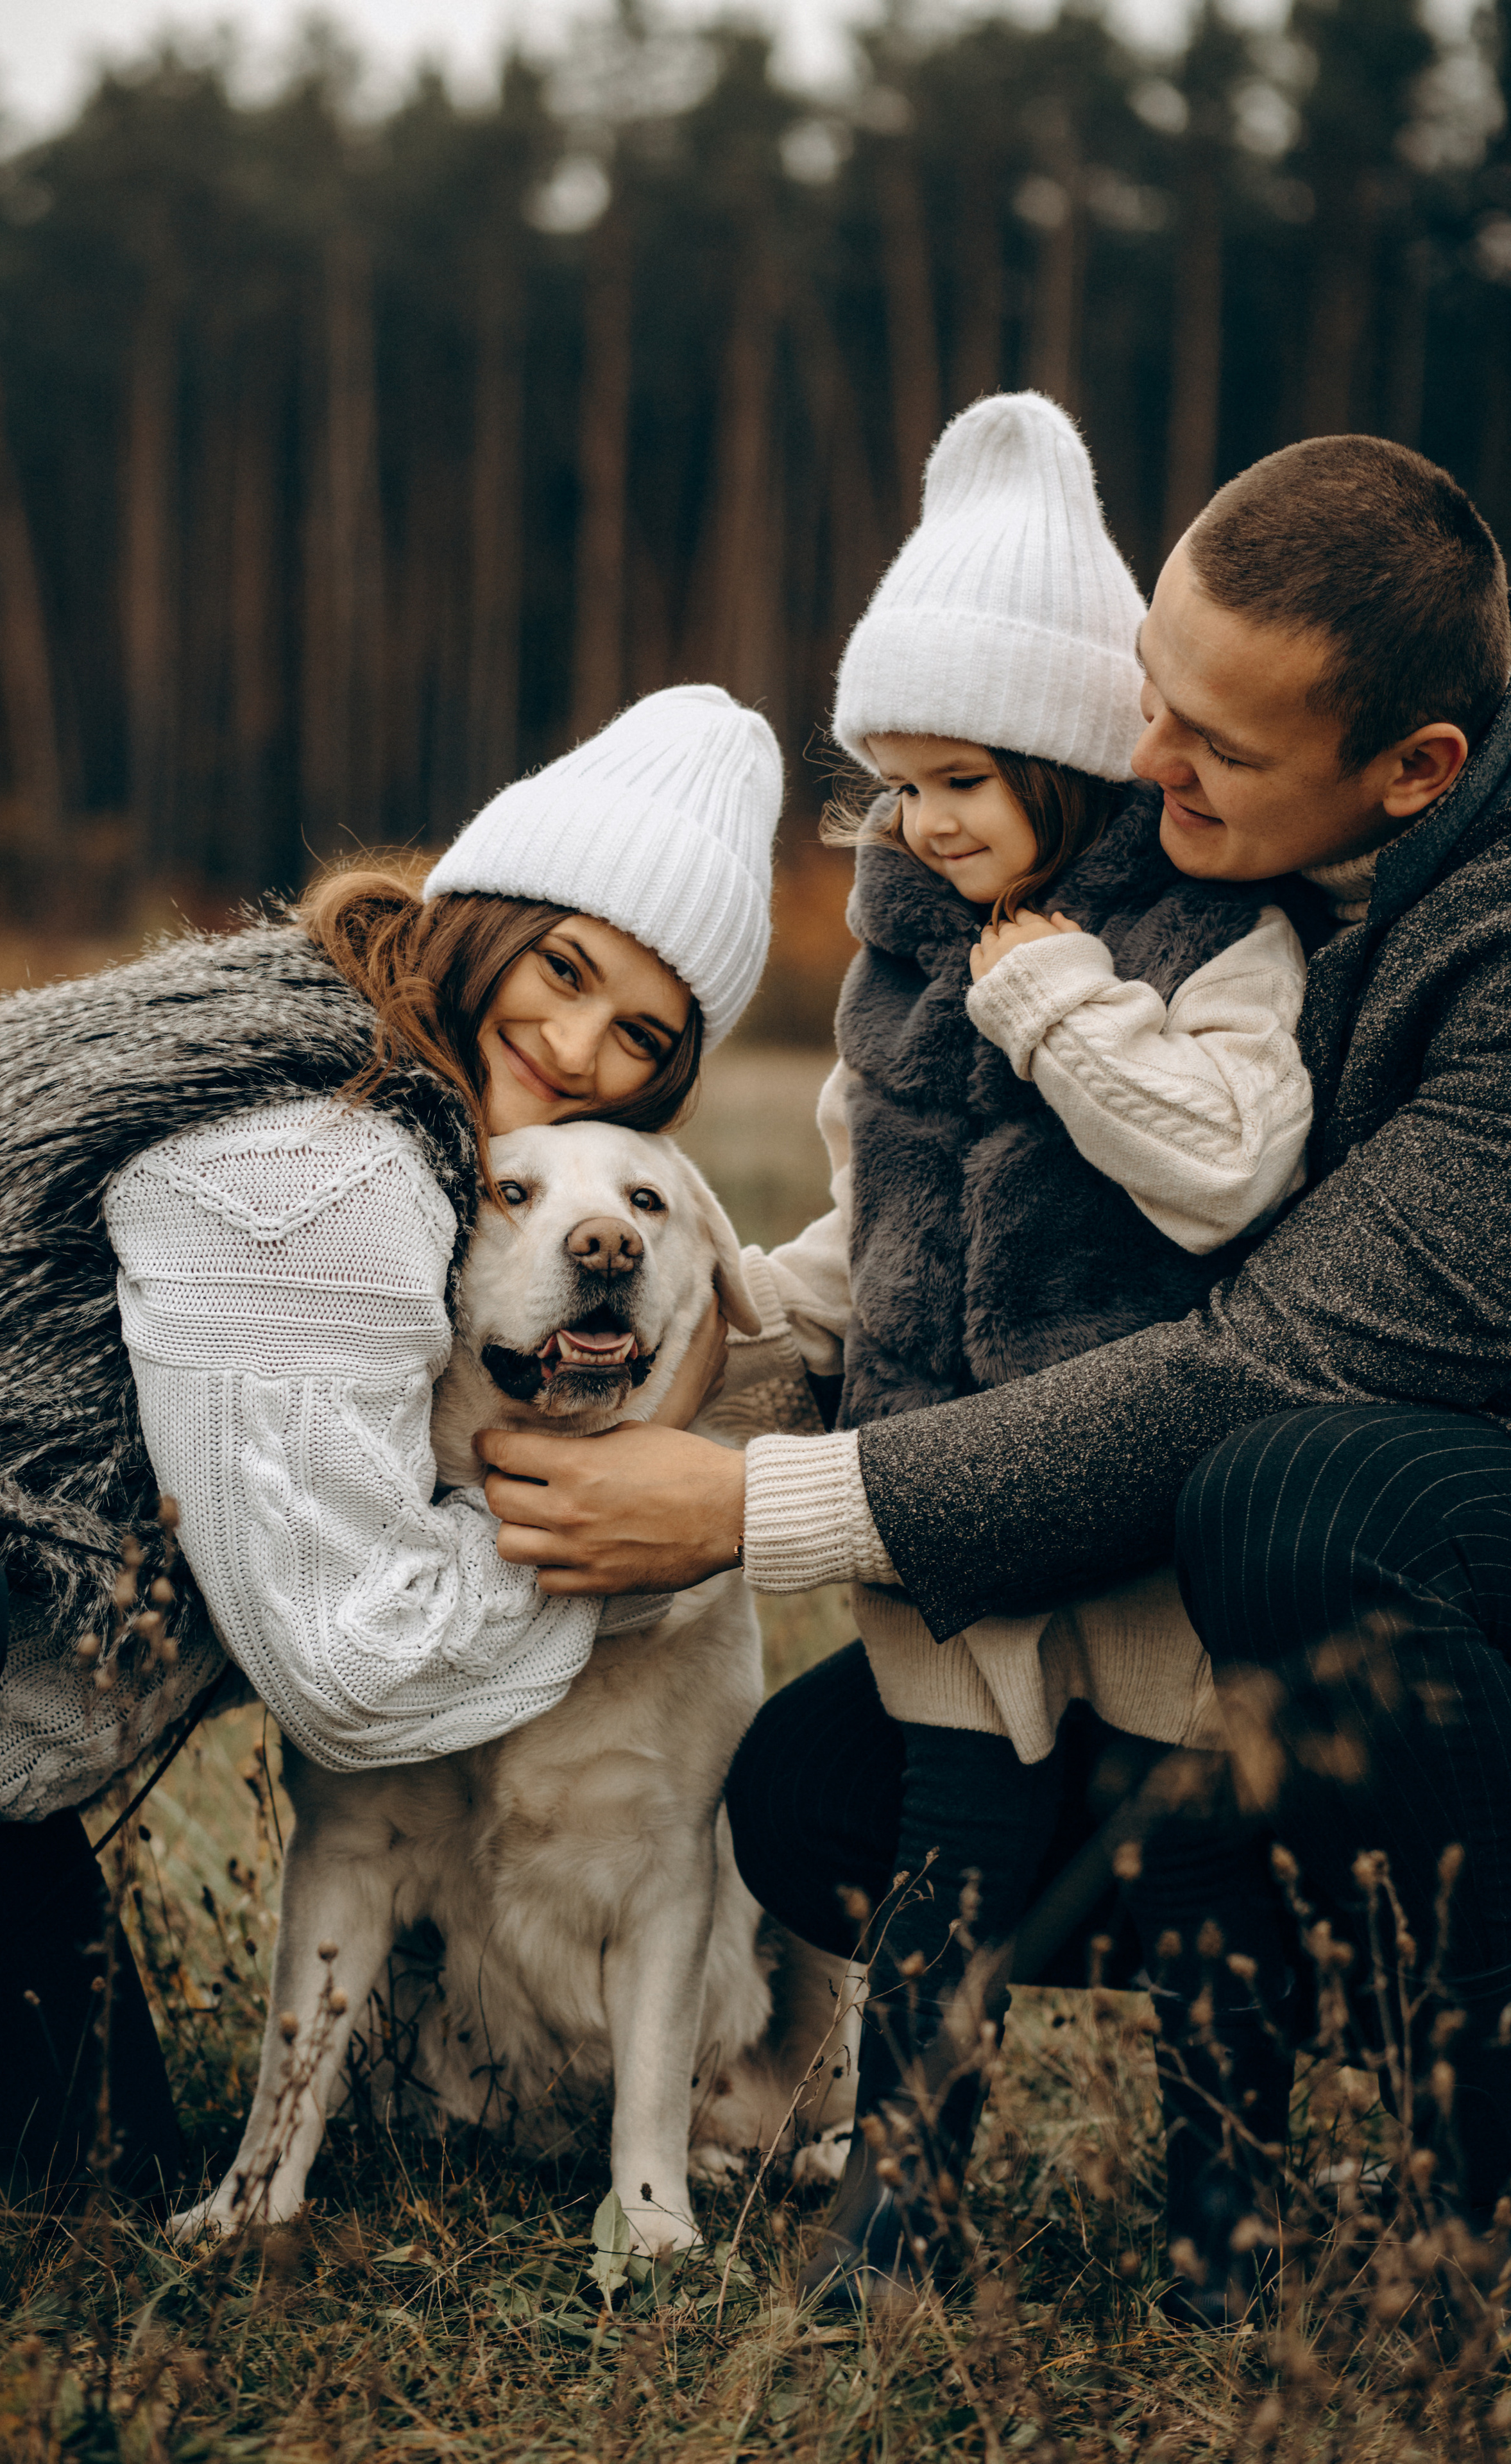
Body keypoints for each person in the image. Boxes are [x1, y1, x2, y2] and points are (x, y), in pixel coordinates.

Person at [478, 433, 1511, 2319]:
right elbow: (884, 1225)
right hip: (1034, 1515)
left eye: (1208, 743)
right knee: (814, 1802)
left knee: (1301, 1506)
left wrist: (754, 1506)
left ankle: (1421, 2148)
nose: (1151, 758)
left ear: (1415, 772)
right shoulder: (968, 956)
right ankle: (916, 2188)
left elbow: (1253, 1360)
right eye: (1147, 705)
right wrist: (721, 1354)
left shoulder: (1405, 952)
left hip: (1331, 1537)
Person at [0, 681, 780, 2205]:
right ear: (482, 917)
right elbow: (350, 1661)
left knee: (74, 2179)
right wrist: (630, 1511)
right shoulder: (321, 1156)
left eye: (639, 1034)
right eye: (559, 968)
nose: (574, 1046)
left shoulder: (352, 1047)